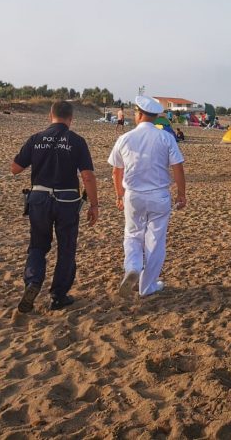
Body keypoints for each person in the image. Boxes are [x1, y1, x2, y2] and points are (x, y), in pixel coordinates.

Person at [12, 100, 99, 313]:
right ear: (71, 118)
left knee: (38, 245)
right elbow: (87, 176)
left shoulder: (36, 139)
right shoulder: (76, 140)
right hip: (67, 200)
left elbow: (15, 168)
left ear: (50, 115)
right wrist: (94, 205)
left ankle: (33, 282)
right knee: (66, 247)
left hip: (39, 197)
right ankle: (58, 295)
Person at [108, 96, 186, 298]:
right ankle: (147, 286)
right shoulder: (166, 138)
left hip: (133, 195)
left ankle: (133, 267)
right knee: (155, 241)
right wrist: (181, 195)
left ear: (139, 115)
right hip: (159, 195)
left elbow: (117, 171)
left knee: (132, 235)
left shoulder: (125, 138)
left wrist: (119, 195)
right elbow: (178, 168)